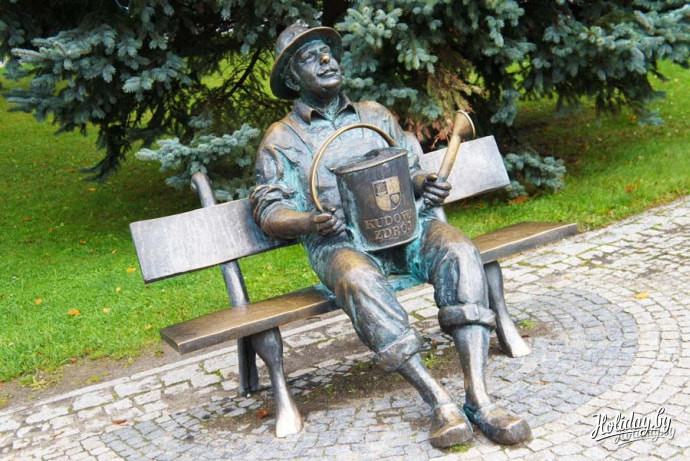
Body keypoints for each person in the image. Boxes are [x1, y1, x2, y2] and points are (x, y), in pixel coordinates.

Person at [249, 23, 531, 447]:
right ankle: (438, 401)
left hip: (406, 229)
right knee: (357, 278)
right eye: (310, 57)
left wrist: (423, 184)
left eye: (328, 52)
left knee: (459, 249)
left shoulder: (375, 115)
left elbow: (409, 170)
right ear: (291, 78)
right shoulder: (281, 139)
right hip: (340, 243)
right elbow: (269, 211)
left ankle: (479, 396)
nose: (326, 60)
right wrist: (308, 222)